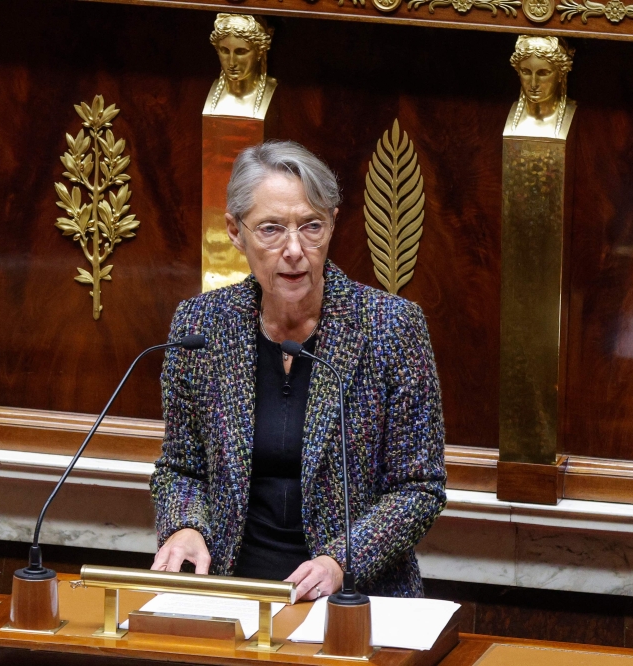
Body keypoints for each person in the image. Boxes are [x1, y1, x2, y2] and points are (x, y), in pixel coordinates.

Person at [150, 141, 446, 600]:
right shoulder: (201, 326)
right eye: (271, 229)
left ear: (332, 223)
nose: (294, 249)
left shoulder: (390, 327)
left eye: (311, 227)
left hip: (353, 598)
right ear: (234, 231)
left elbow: (418, 487)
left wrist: (341, 560)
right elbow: (180, 468)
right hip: (233, 591)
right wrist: (185, 525)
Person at [204, 13, 278, 120]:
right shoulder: (208, 91)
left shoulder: (273, 90)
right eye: (224, 51)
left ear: (260, 51)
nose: (232, 63)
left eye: (241, 52)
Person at [505, 35, 575, 139]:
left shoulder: (574, 114)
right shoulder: (506, 113)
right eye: (526, 72)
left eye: (543, 73)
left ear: (561, 74)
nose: (533, 84)